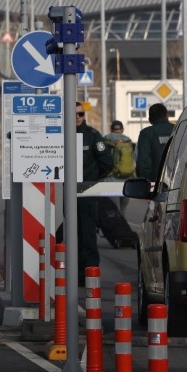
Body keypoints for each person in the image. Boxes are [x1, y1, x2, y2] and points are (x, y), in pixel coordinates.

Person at [71, 105, 113, 278]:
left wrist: (93, 180)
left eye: (81, 114)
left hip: (87, 194)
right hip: (65, 194)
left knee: (87, 234)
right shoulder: (59, 134)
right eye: (74, 114)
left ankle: (89, 274)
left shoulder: (93, 136)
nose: (78, 117)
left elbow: (107, 164)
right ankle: (71, 273)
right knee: (68, 236)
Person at [137, 103, 173, 180]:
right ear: (167, 116)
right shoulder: (178, 129)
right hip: (177, 181)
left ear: (150, 119)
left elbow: (143, 161)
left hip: (155, 182)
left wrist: (145, 181)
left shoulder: (146, 133)